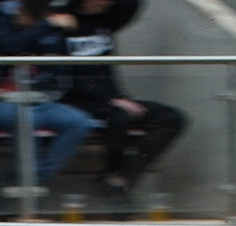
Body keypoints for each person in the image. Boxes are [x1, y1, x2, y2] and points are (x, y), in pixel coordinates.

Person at [58, 0, 185, 196]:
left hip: (115, 100)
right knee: (120, 117)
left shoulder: (107, 18)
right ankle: (114, 175)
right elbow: (65, 76)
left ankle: (122, 179)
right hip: (78, 101)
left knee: (170, 118)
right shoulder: (60, 20)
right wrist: (110, 101)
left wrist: (114, 100)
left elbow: (132, 4)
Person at [0, 0, 99, 187]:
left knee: (79, 122)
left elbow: (59, 72)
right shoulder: (1, 18)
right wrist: (47, 24)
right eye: (20, 13)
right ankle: (28, 186)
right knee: (26, 118)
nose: (21, 17)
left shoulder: (46, 30)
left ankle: (34, 182)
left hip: (40, 103)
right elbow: (9, 47)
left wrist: (50, 28)